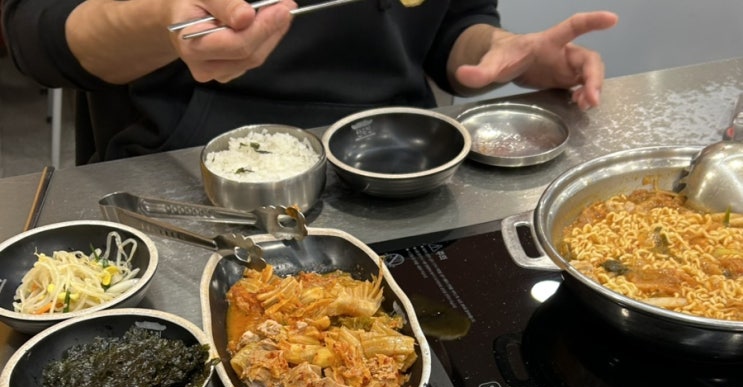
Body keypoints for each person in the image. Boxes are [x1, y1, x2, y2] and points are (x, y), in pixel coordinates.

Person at [1, 0, 617, 164]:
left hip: (396, 168)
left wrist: (504, 54)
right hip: (184, 169)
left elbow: (451, 27)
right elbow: (33, 34)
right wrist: (162, 22)